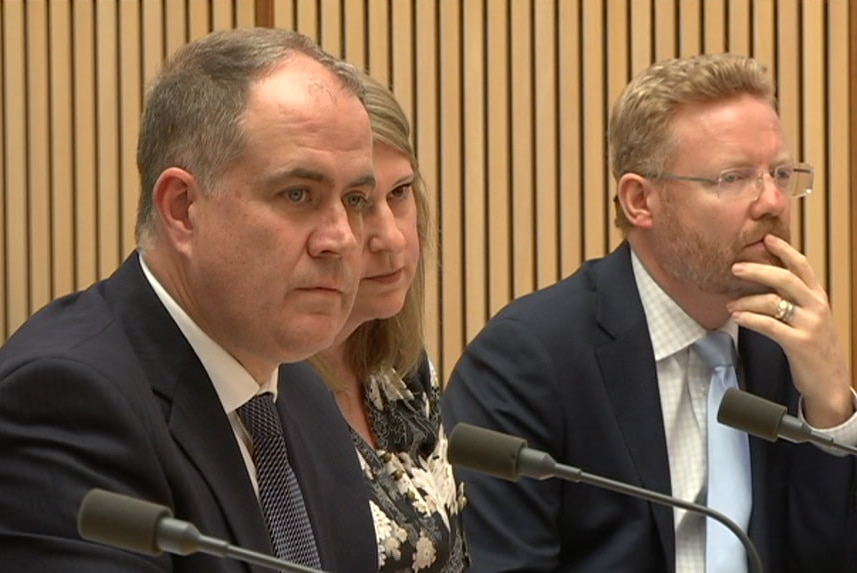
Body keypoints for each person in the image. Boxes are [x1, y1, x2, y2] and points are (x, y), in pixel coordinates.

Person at [442, 53, 857, 573]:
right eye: (733, 178)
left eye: (779, 173)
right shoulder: (526, 361)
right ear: (641, 200)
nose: (773, 200)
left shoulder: (786, 348)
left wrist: (830, 407)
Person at [0, 28, 380, 572]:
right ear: (181, 209)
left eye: (355, 199)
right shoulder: (65, 402)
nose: (341, 237)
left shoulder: (302, 395)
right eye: (298, 195)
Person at [309, 71, 467, 572]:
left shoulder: (403, 374)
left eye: (400, 194)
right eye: (358, 203)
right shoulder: (266, 387)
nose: (392, 239)